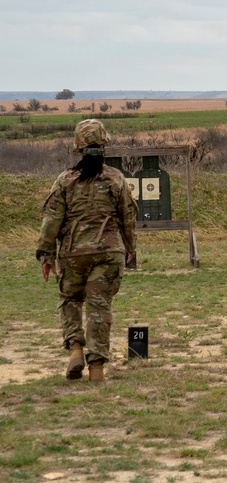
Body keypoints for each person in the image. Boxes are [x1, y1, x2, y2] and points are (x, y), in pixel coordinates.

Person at [36, 119, 137, 382]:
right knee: (99, 308)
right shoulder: (116, 178)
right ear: (104, 145)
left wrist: (46, 255)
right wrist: (130, 247)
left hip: (73, 253)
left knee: (70, 300)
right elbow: (128, 217)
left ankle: (75, 349)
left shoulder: (65, 181)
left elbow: (51, 220)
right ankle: (97, 370)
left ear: (78, 147)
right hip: (108, 252)